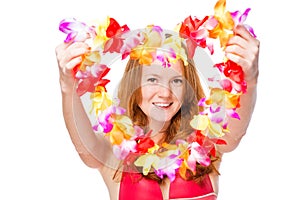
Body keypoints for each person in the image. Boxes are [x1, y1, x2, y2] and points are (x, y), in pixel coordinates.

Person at [55, 15, 259, 200]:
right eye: (153, 79)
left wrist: (249, 79)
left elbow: (234, 134)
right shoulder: (114, 150)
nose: (165, 93)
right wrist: (68, 87)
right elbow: (86, 149)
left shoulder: (205, 142)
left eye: (177, 81)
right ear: (134, 84)